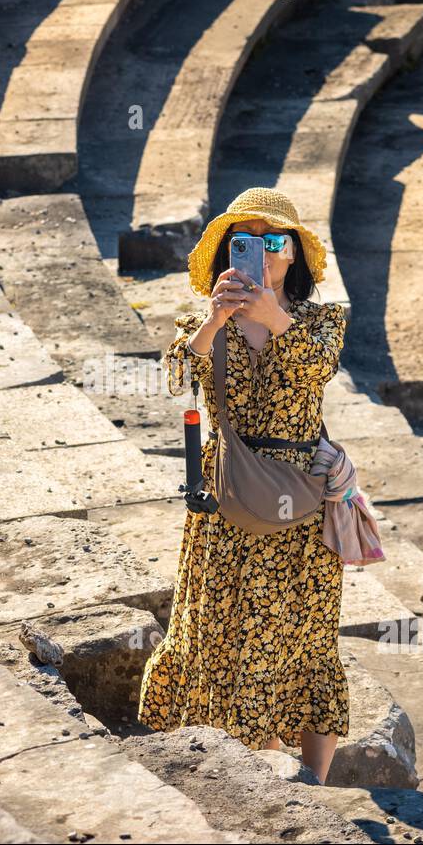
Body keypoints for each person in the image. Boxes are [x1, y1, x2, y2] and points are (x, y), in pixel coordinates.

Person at [136, 186, 351, 784]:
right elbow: (178, 377)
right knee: (213, 625)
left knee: (305, 632)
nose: (261, 251)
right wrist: (216, 319)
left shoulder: (321, 319)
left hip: (301, 499)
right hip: (225, 493)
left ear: (294, 258)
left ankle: (314, 782)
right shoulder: (202, 321)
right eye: (245, 240)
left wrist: (271, 316)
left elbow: (318, 367)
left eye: (274, 241)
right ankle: (213, 766)